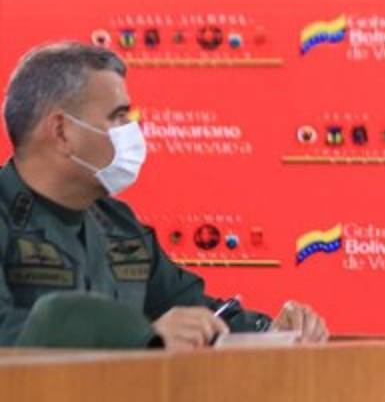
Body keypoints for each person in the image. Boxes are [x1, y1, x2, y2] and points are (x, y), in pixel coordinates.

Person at [0, 42, 329, 349]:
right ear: (61, 131)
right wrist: (141, 337)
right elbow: (8, 329)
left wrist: (272, 332)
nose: (132, 131)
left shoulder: (118, 224)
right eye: (118, 117)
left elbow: (197, 311)